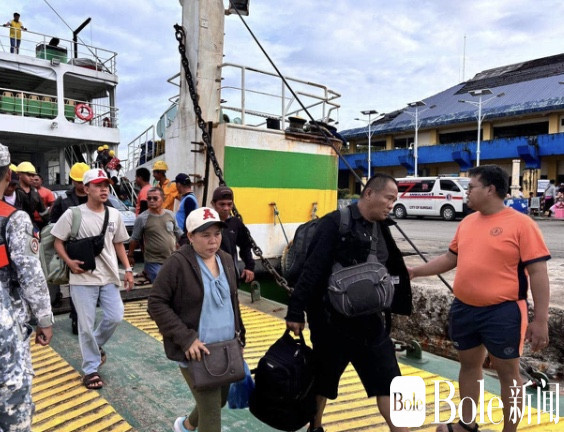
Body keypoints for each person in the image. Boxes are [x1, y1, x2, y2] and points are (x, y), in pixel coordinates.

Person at [409, 165, 550, 432]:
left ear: (490, 190)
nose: (466, 193)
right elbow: (450, 258)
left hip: (504, 312)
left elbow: (538, 273)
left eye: (471, 187)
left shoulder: (522, 225)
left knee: (508, 374)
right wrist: (416, 271)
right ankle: (467, 424)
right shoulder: (467, 223)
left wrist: (540, 320)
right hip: (464, 308)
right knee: (469, 367)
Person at [286, 173, 411, 432]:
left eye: (394, 200)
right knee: (322, 383)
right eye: (389, 198)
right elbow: (312, 269)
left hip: (370, 325)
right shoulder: (333, 223)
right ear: (369, 193)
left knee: (390, 382)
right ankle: (315, 428)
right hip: (331, 325)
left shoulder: (381, 228)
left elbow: (391, 267)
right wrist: (296, 311)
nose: (392, 205)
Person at [148, 207, 246, 432]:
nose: (213, 241)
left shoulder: (226, 259)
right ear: (190, 237)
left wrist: (240, 339)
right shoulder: (177, 263)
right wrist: (186, 339)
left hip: (226, 349)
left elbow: (233, 303)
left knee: (218, 401)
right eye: (205, 235)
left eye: (217, 234)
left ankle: (186, 425)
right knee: (211, 416)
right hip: (197, 352)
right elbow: (156, 303)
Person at [51, 168, 133, 390]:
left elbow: (118, 243)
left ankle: (94, 347)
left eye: (106, 185)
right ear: (86, 189)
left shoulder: (114, 214)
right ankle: (90, 369)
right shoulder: (73, 214)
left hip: (108, 276)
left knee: (115, 316)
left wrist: (128, 269)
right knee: (85, 325)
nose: (104, 189)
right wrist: (69, 262)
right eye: (98, 185)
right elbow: (57, 241)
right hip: (82, 278)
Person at [0, 143, 53, 431]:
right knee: (14, 406)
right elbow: (30, 275)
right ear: (8, 175)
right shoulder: (13, 219)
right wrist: (44, 319)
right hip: (6, 330)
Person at [49, 162, 91, 332]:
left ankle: (87, 316)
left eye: (85, 182)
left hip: (94, 248)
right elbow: (53, 224)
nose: (83, 185)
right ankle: (76, 318)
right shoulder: (63, 201)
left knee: (94, 285)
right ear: (73, 181)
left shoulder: (96, 197)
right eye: (79, 182)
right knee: (76, 285)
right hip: (72, 249)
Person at [127, 187, 182, 282]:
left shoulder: (170, 215)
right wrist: (130, 256)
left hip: (171, 259)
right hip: (153, 261)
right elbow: (134, 238)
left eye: (155, 198)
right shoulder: (142, 218)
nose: (151, 201)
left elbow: (178, 233)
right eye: (149, 198)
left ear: (163, 199)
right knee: (162, 281)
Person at [210, 186, 255, 283]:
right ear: (213, 204)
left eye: (229, 204)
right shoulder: (206, 223)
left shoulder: (236, 223)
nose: (226, 208)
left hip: (230, 275)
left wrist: (249, 267)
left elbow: (245, 245)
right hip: (209, 275)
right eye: (222, 204)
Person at [14, 161, 48, 229]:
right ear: (20, 174)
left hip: (31, 225)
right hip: (15, 225)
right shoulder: (13, 190)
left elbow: (42, 211)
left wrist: (49, 223)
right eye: (29, 175)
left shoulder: (34, 192)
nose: (32, 178)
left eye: (33, 175)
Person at [174, 173, 198, 243]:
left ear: (178, 184)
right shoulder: (186, 198)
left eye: (176, 184)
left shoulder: (189, 199)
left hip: (184, 237)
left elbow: (189, 220)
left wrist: (184, 239)